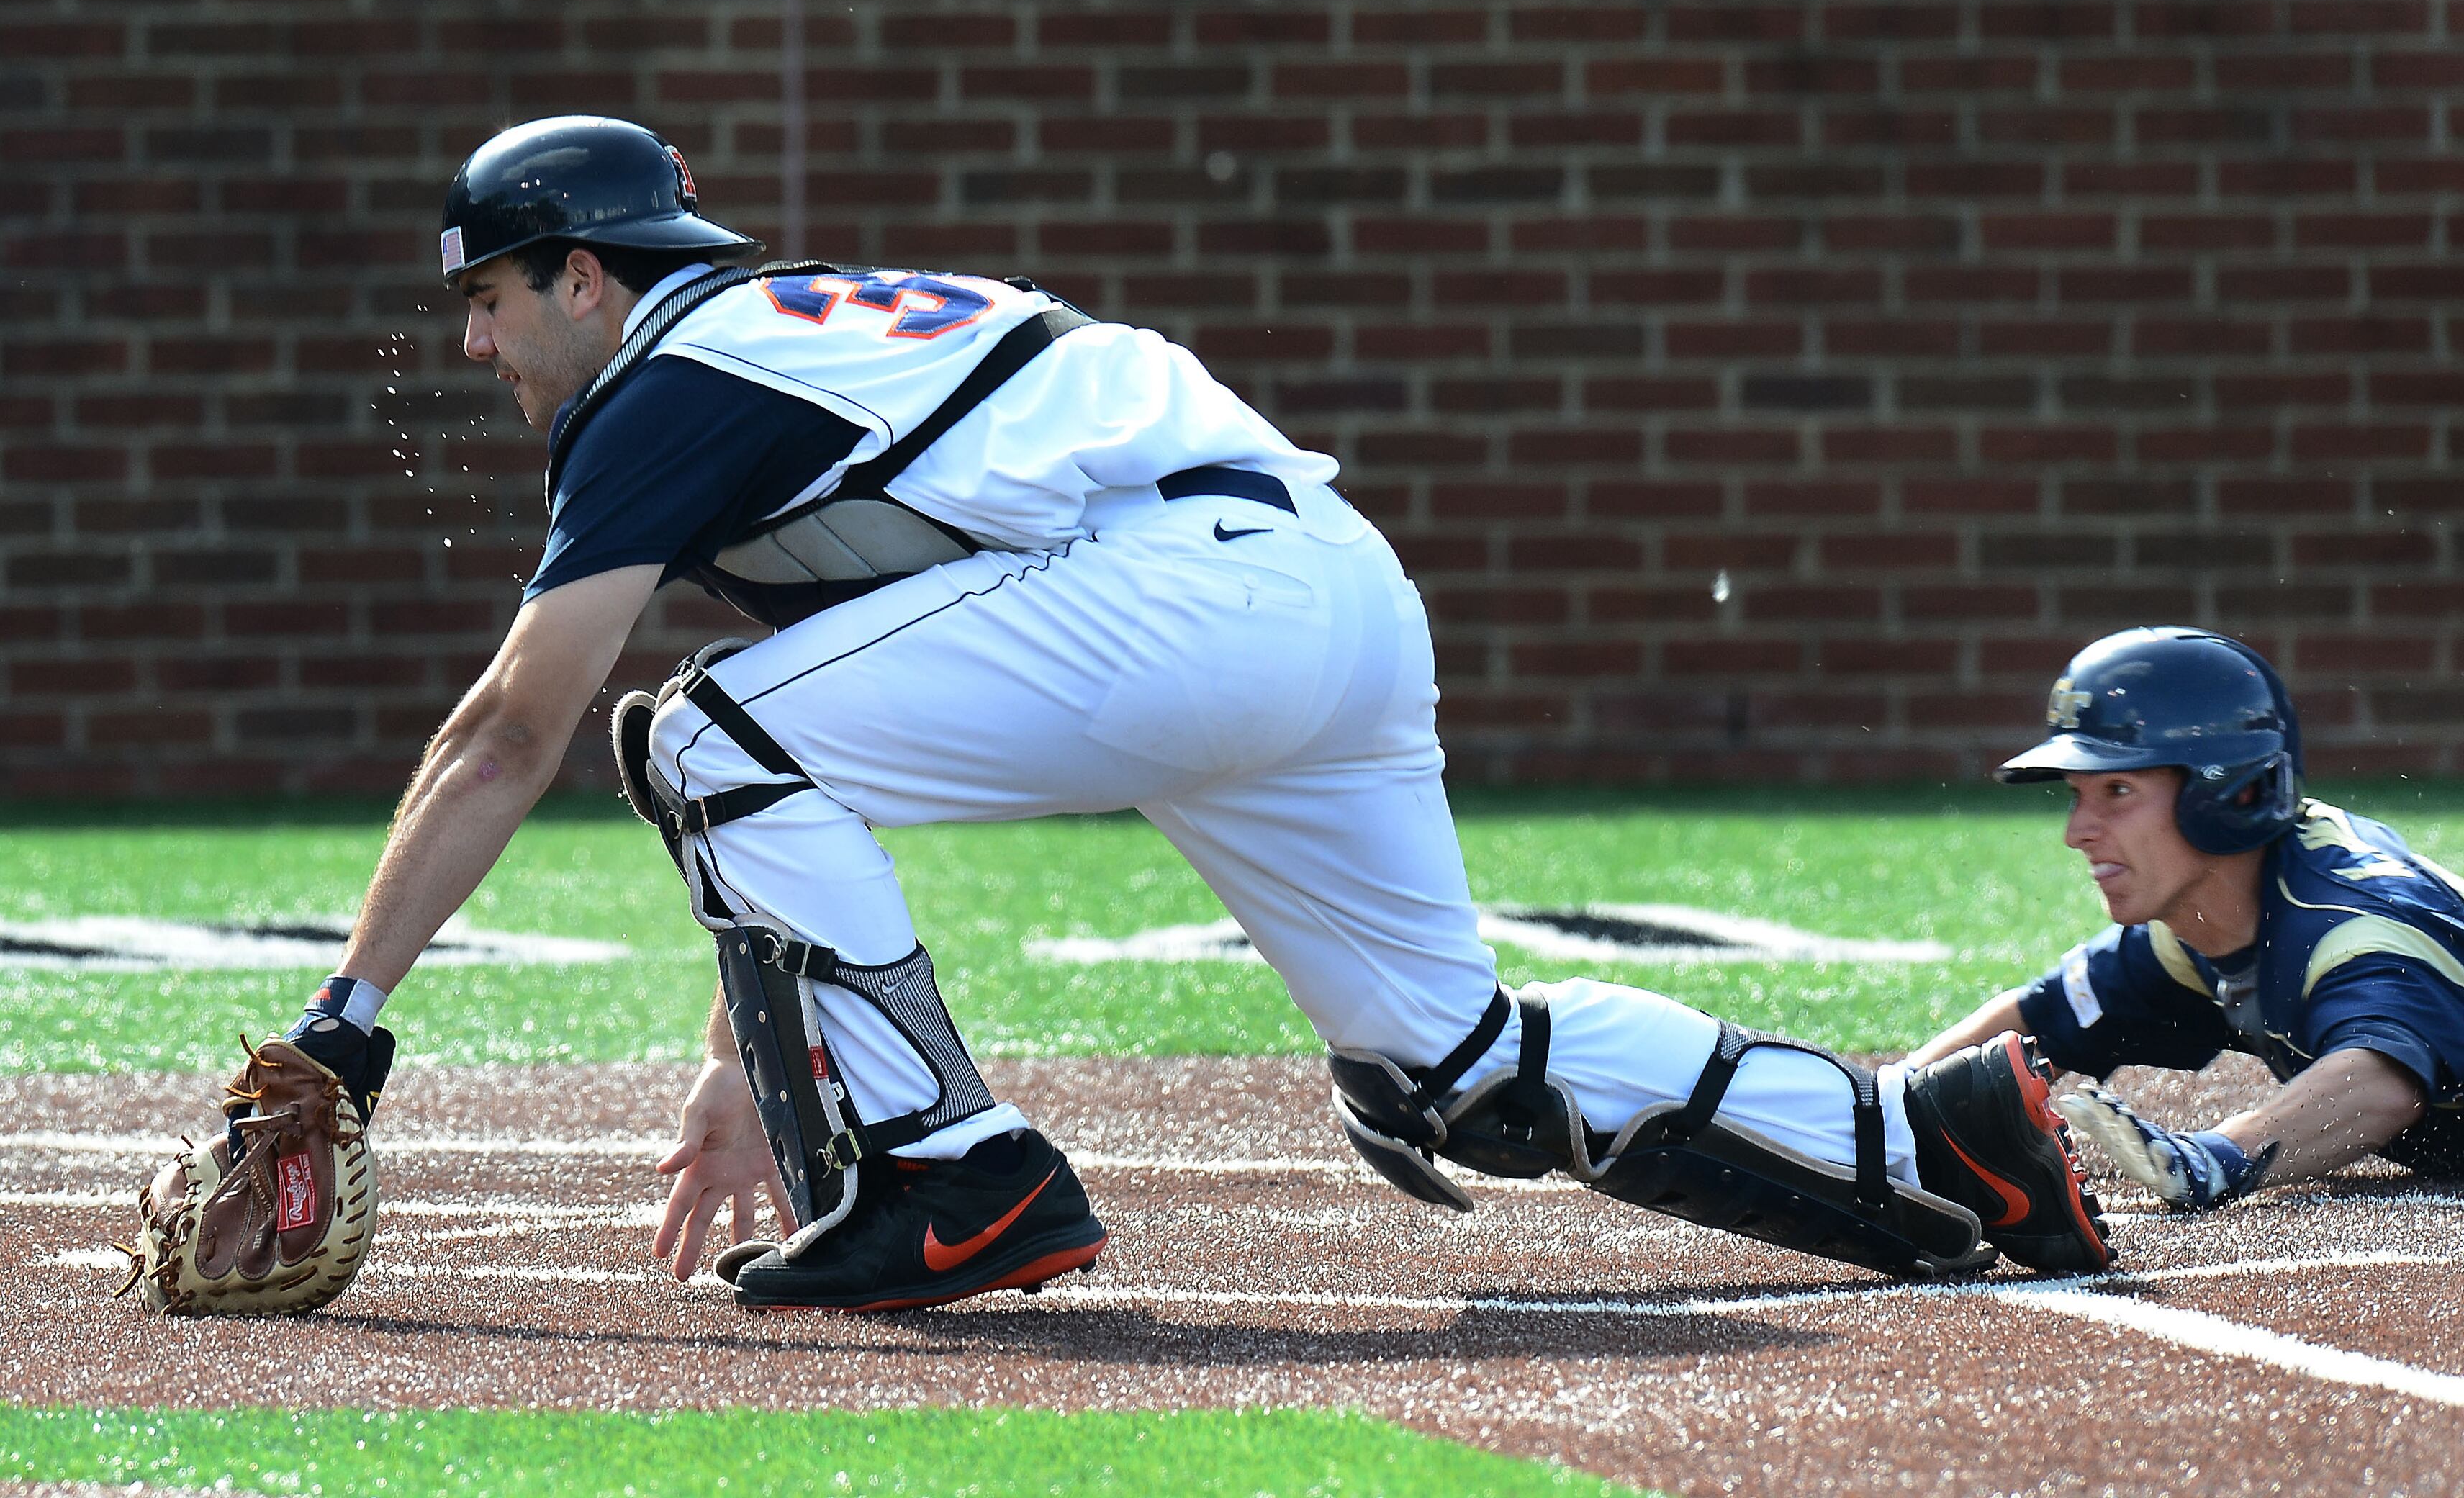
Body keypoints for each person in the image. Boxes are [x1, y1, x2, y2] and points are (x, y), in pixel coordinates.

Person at [249, 114, 2111, 1316]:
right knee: (1445, 1064)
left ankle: (954, 1180)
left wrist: (348, 1026)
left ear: (588, 273)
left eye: (489, 298)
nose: (479, 346)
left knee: (688, 725)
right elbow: (843, 736)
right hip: (1311, 590)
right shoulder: (784, 349)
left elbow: (510, 732)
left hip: (1179, 596)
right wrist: (750, 1062)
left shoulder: (673, 379)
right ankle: (1937, 1144)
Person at [1905, 626, 2460, 1211]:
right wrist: (1887, 1106)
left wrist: (2219, 1155)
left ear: (2233, 793)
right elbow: (2039, 1019)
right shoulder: (2204, 922)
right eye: (2077, 794)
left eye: (2117, 790)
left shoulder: (2348, 924)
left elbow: (2379, 1084)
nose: (2077, 833)